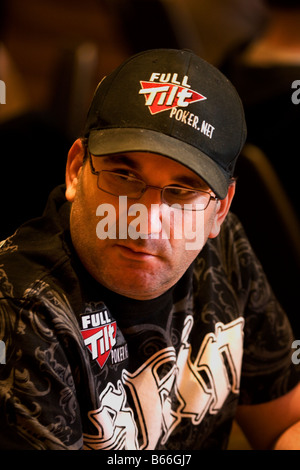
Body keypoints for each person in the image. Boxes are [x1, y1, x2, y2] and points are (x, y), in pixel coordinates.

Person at [0, 48, 299, 451]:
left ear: (220, 210)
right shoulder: (23, 313)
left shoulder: (222, 247)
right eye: (124, 176)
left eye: (182, 191)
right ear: (76, 170)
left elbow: (286, 424)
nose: (145, 220)